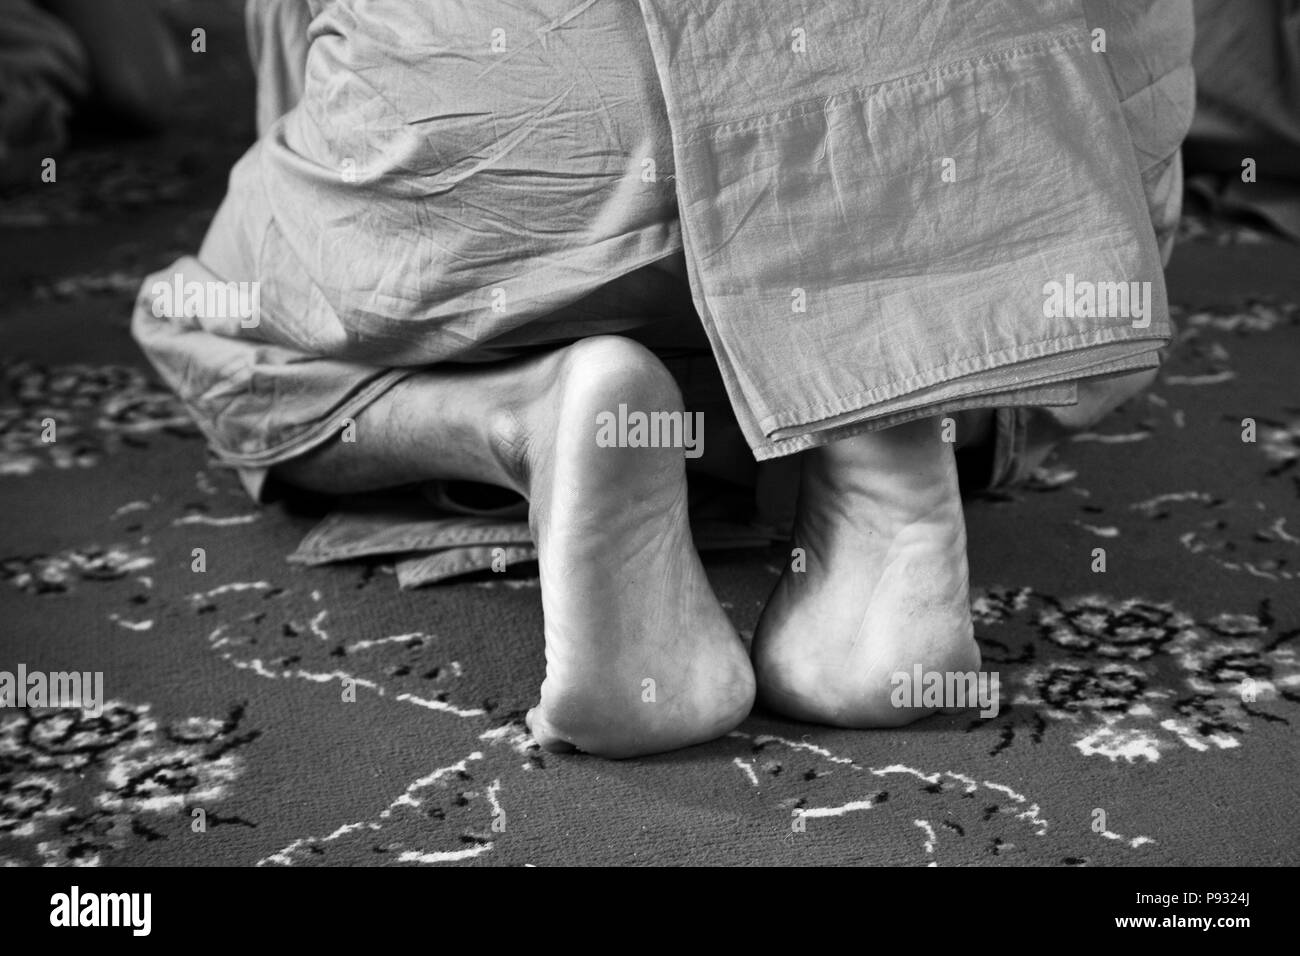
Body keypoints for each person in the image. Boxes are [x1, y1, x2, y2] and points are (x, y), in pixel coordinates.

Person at [132, 0, 1196, 757]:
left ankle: (533, 413)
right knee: (1048, 284)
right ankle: (891, 400)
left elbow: (212, 59)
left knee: (214, 320)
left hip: (525, 115)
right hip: (1009, 104)